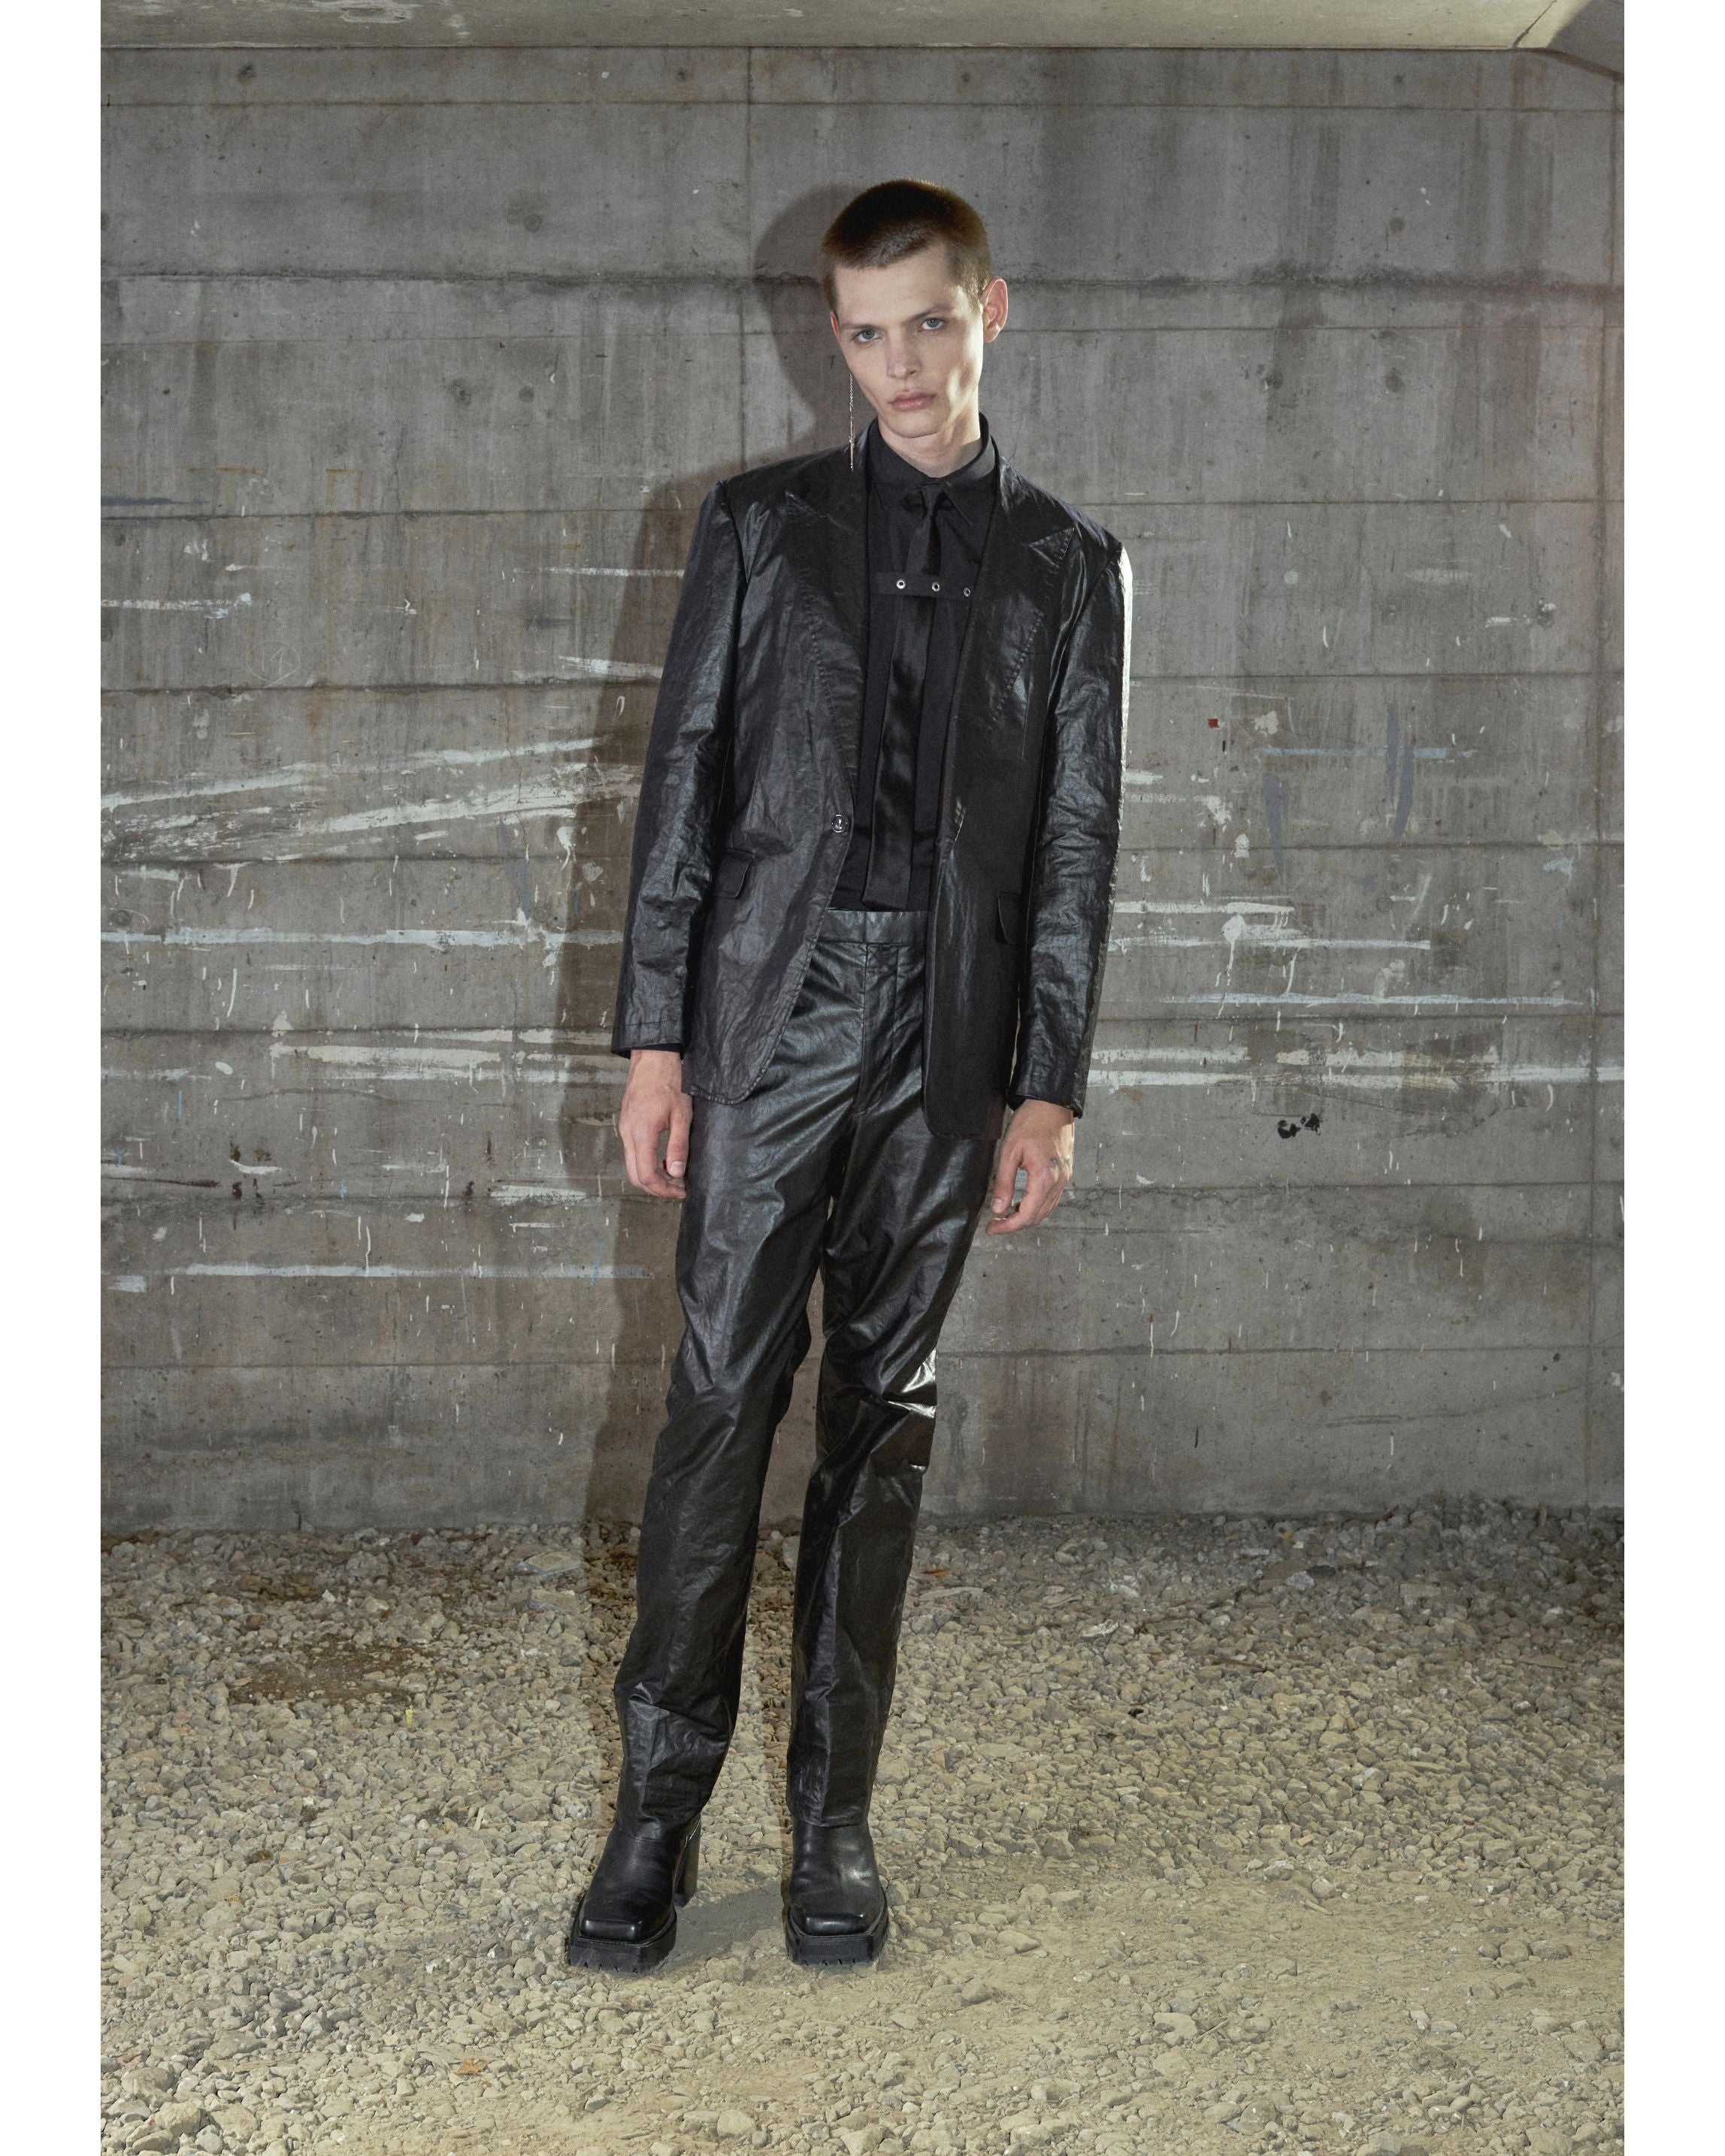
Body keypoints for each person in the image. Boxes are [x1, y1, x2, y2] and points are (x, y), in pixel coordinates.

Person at [566, 179, 1131, 1975]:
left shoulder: (1066, 564)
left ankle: (834, 1823)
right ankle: (655, 1816)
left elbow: (1076, 839)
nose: (898, 363)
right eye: (866, 333)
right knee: (718, 1404)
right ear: (835, 337)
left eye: (927, 324)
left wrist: (1045, 1084)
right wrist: (658, 1041)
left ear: (988, 313)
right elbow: (684, 790)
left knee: (881, 1422)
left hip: (945, 1047)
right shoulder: (756, 528)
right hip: (770, 1021)